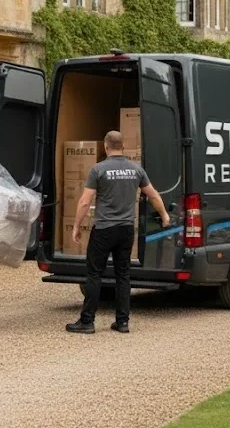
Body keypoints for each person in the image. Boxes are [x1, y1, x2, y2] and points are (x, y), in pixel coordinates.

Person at [65, 130, 170, 335]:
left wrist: (76, 226)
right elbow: (152, 194)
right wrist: (164, 215)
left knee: (94, 274)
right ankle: (122, 322)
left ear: (106, 146)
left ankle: (87, 321)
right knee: (123, 275)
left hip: (104, 229)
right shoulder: (136, 170)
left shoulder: (98, 169)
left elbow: (85, 201)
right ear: (123, 146)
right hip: (126, 230)